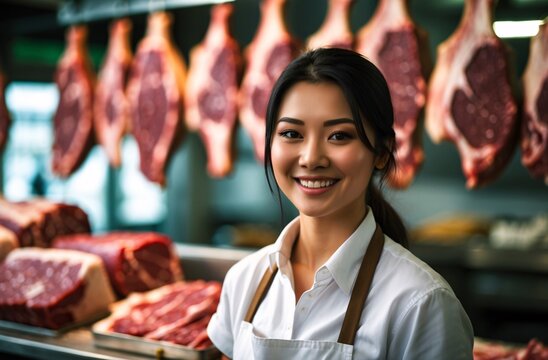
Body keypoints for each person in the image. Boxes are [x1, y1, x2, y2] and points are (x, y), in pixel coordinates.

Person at [207, 47, 474, 359]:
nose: (311, 158)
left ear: (382, 153)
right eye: (292, 133)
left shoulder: (420, 302)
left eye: (339, 136)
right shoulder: (245, 279)